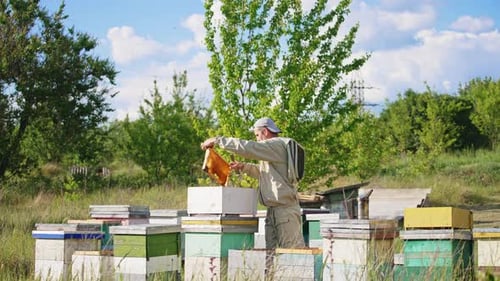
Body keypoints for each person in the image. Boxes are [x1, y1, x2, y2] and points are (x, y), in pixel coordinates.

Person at [200, 117, 305, 249]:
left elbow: (249, 148)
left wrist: (218, 140)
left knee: (292, 255)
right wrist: (243, 167)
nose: (257, 139)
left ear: (265, 132)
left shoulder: (276, 145)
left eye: (257, 135)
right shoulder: (271, 151)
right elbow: (265, 174)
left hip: (285, 211)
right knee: (271, 257)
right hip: (274, 211)